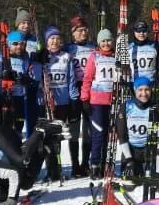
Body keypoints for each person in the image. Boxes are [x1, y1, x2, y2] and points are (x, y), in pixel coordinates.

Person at [37, 26, 76, 182]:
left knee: (58, 137)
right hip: (46, 103)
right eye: (52, 38)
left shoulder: (66, 57)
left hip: (62, 103)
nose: (55, 41)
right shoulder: (42, 58)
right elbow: (37, 80)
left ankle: (58, 169)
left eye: (57, 39)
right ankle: (50, 169)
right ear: (47, 41)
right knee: (46, 137)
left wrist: (74, 100)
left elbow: (71, 80)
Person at [80, 28, 119, 179]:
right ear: (98, 42)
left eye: (108, 40)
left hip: (113, 101)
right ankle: (94, 165)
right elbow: (87, 78)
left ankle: (106, 164)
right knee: (98, 134)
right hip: (97, 102)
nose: (106, 43)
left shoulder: (116, 56)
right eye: (103, 41)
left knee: (110, 135)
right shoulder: (94, 56)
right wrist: (85, 99)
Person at [66, 16, 95, 177]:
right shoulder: (68, 49)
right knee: (74, 130)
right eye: (79, 31)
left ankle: (85, 163)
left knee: (89, 130)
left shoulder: (93, 48)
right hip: (74, 91)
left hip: (90, 90)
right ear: (73, 33)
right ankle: (75, 165)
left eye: (85, 30)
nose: (83, 33)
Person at [0, 30, 42, 137]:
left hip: (20, 99)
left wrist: (26, 79)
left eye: (22, 44)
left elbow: (33, 77)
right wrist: (1, 76)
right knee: (5, 130)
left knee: (18, 127)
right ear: (8, 45)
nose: (19, 46)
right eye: (15, 44)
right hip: (4, 100)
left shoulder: (26, 58)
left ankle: (17, 149)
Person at [118, 77, 159, 178]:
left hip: (149, 149)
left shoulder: (155, 106)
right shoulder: (127, 106)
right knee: (129, 183)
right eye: (140, 90)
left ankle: (155, 170)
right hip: (132, 150)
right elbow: (121, 135)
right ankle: (136, 166)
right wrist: (128, 159)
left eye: (147, 89)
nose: (144, 93)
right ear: (135, 90)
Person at [128, 21, 159, 86]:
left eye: (144, 31)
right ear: (134, 32)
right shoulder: (129, 47)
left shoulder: (155, 46)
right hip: (134, 83)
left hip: (151, 82)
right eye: (138, 31)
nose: (141, 33)